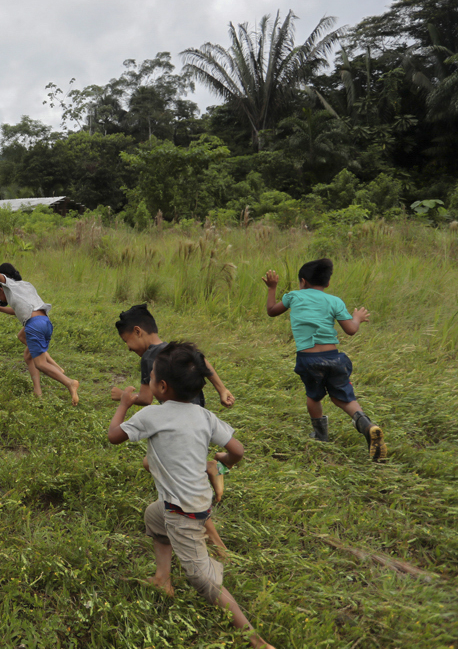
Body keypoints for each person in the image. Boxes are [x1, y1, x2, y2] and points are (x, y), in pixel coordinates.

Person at [108, 343, 274, 649]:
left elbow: (114, 436)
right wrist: (225, 460)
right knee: (154, 516)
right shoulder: (203, 415)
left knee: (204, 581)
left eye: (152, 374)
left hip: (184, 514)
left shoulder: (151, 415)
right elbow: (237, 450)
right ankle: (162, 578)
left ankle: (257, 641)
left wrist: (125, 404)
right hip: (197, 501)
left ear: (161, 386)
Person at [110, 304, 235, 553]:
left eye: (127, 341)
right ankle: (210, 467)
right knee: (153, 464)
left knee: (176, 482)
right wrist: (221, 389)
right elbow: (202, 360)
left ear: (138, 332)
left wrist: (123, 399)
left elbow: (146, 398)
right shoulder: (175, 350)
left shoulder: (149, 358)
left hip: (178, 422)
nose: (128, 348)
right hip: (196, 414)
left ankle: (217, 543)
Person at [264, 259, 387, 461]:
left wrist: (272, 288)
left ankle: (321, 436)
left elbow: (271, 311)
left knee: (314, 397)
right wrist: (357, 317)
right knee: (343, 398)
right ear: (327, 284)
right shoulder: (335, 301)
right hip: (335, 358)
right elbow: (351, 330)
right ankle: (367, 425)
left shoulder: (293, 296)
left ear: (302, 281)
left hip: (309, 359)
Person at [0, 260, 79, 406]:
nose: (0, 300)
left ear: (2, 284)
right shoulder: (25, 286)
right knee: (27, 352)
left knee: (40, 364)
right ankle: (38, 391)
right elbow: (16, 310)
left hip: (34, 325)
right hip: (45, 322)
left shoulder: (9, 284)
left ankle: (69, 383)